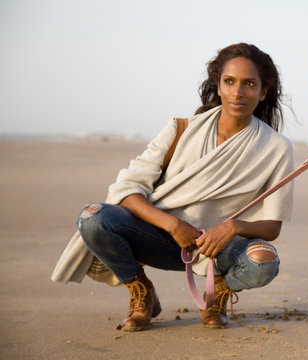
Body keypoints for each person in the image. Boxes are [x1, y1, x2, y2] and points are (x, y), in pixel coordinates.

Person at [51, 43, 295, 331]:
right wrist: (173, 225)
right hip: (162, 237)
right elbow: (126, 190)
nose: (237, 92)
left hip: (218, 249)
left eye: (249, 84)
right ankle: (141, 291)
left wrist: (232, 227)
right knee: (92, 217)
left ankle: (217, 294)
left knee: (263, 261)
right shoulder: (181, 128)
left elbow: (272, 227)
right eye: (229, 82)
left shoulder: (277, 148)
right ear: (218, 86)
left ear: (263, 92)